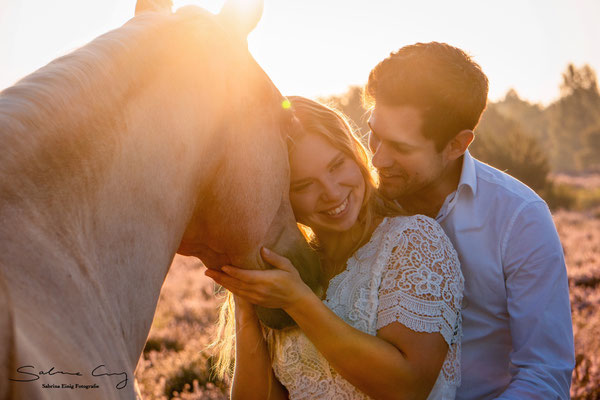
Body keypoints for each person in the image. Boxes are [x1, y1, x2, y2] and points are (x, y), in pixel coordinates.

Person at [206, 96, 464, 399]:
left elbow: (408, 387)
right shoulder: (287, 265)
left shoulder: (414, 241)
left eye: (337, 165)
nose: (331, 192)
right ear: (281, 196)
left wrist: (298, 301)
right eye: (304, 185)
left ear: (354, 153)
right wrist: (246, 310)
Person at [364, 41, 575, 399]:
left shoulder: (519, 218)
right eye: (374, 134)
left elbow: (544, 374)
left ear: (456, 145)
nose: (377, 160)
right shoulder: (355, 199)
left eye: (400, 147)